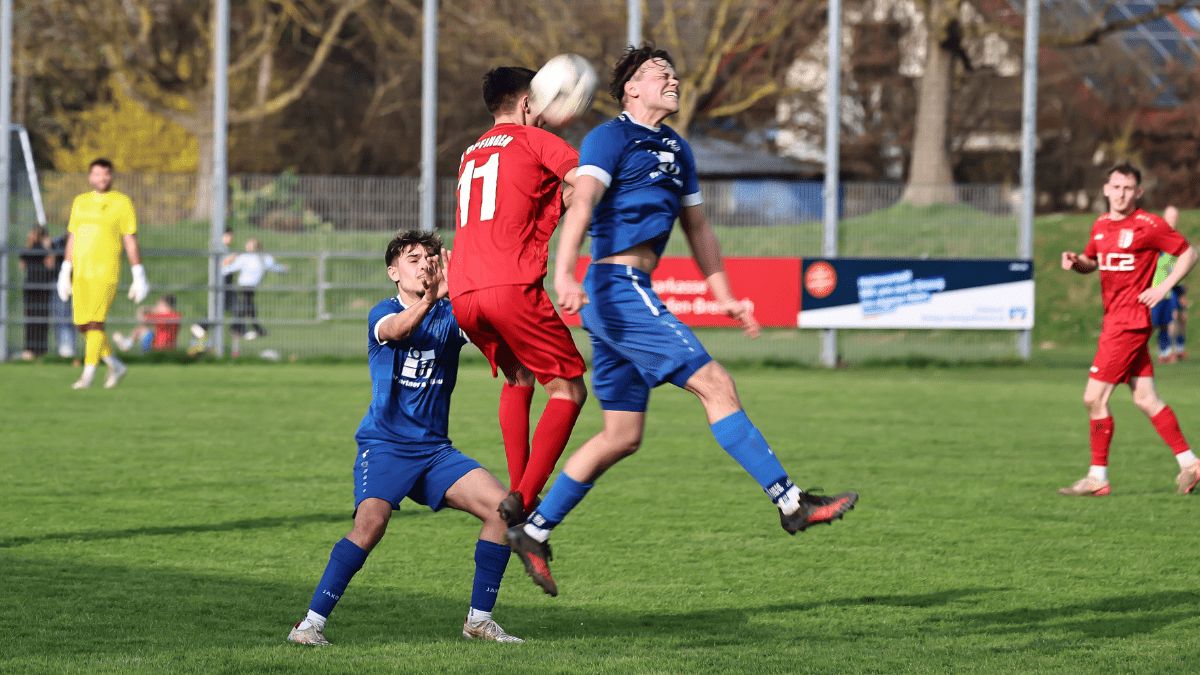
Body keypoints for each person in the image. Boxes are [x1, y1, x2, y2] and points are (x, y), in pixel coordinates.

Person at [505, 44, 858, 597]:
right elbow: (583, 203)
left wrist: (726, 297)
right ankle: (791, 502)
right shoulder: (609, 138)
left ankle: (533, 531)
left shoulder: (677, 148)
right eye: (658, 74)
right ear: (631, 90)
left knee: (621, 435)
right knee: (715, 383)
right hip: (615, 288)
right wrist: (565, 271)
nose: (671, 80)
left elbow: (699, 229)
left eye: (673, 73)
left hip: (627, 291)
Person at [287, 230, 524, 646]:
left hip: (435, 452)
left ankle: (479, 621)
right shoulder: (383, 313)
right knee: (370, 525)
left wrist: (475, 296)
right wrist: (432, 299)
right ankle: (308, 626)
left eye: (431, 257)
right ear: (393, 272)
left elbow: (498, 337)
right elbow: (397, 329)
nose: (424, 264)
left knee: (504, 511)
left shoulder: (452, 313)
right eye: (413, 259)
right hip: (385, 446)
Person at [448, 66, 588, 528]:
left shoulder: (471, 152)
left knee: (518, 376)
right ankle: (525, 497)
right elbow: (586, 184)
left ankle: (516, 489)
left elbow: (517, 203)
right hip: (509, 285)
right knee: (568, 389)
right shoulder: (535, 139)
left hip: (463, 292)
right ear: (527, 102)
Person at [1059, 163, 1200, 497]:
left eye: (1128, 188)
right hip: (1117, 320)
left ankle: (1097, 477)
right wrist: (1077, 263)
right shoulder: (1100, 225)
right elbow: (1092, 262)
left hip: (1128, 323)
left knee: (1093, 398)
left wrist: (1163, 287)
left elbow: (1189, 253)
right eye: (1116, 187)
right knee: (1146, 398)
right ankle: (1191, 463)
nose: (1121, 194)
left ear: (1138, 192)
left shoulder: (1149, 225)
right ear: (1106, 189)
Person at [56, 158, 149, 389]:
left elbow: (130, 240)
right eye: (97, 174)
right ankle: (116, 365)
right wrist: (65, 270)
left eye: (106, 173)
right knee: (82, 325)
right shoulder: (80, 202)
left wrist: (138, 273)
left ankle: (87, 376)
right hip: (80, 273)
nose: (102, 178)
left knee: (95, 323)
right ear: (90, 177)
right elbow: (73, 236)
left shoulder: (122, 202)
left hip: (105, 273)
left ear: (111, 176)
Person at [221, 236, 287, 341]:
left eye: (249, 244)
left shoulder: (262, 257)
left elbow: (272, 266)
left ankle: (244, 329)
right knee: (247, 308)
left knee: (248, 308)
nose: (246, 246)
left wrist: (283, 269)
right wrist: (223, 269)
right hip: (244, 287)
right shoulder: (247, 257)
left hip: (251, 287)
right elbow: (233, 267)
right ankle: (245, 329)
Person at [188, 227, 236, 353]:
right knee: (221, 307)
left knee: (221, 309)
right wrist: (232, 259)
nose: (231, 238)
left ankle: (207, 336)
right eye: (228, 235)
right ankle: (202, 326)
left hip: (227, 284)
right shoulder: (220, 249)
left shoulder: (226, 249)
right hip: (222, 283)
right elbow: (221, 265)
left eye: (231, 235)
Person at [1150, 206, 1186, 363]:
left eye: (1175, 217)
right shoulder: (1157, 239)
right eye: (1170, 217)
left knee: (1168, 322)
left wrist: (1181, 291)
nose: (1173, 220)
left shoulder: (1177, 241)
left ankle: (1166, 352)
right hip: (1153, 290)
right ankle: (1135, 351)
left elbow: (1177, 268)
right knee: (1151, 324)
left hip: (1170, 291)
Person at [18, 227, 54, 360]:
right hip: (32, 289)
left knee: (40, 320)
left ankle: (38, 350)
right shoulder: (31, 249)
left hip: (41, 288)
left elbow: (50, 265)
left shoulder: (44, 249)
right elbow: (22, 265)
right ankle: (31, 349)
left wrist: (48, 247)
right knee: (32, 319)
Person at [113, 294, 182, 353]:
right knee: (147, 327)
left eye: (158, 304)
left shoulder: (165, 316)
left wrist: (147, 309)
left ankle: (127, 344)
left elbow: (140, 317)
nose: (157, 306)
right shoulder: (176, 315)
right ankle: (127, 344)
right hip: (168, 348)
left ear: (163, 304)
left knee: (143, 328)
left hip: (159, 348)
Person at [48, 231, 77, 359]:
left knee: (77, 317)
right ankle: (65, 348)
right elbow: (50, 263)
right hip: (59, 283)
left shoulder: (81, 240)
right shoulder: (56, 242)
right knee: (61, 314)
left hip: (78, 282)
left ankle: (72, 347)